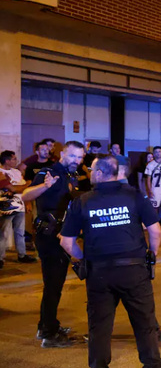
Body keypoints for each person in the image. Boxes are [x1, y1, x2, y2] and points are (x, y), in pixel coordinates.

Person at [59, 155, 161, 368]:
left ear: (100, 173)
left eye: (91, 169)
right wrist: (151, 255)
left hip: (99, 273)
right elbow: (155, 230)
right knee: (144, 325)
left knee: (99, 329)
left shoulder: (82, 201)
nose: (88, 172)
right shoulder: (134, 196)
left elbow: (67, 242)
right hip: (134, 270)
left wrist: (83, 259)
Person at [21, 141, 86, 347]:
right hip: (48, 235)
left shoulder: (69, 175)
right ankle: (49, 334)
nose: (77, 160)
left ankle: (47, 325)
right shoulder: (49, 172)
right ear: (62, 155)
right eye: (74, 156)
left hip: (60, 233)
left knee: (55, 284)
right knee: (53, 284)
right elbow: (25, 195)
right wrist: (44, 186)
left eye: (80, 157)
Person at [0, 150, 35, 265]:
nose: (16, 161)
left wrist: (27, 202)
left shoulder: (16, 172)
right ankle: (0, 257)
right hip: (6, 207)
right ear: (7, 160)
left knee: (20, 231)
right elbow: (14, 189)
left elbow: (22, 189)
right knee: (3, 232)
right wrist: (27, 184)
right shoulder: (0, 173)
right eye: (14, 159)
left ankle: (22, 254)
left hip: (19, 205)